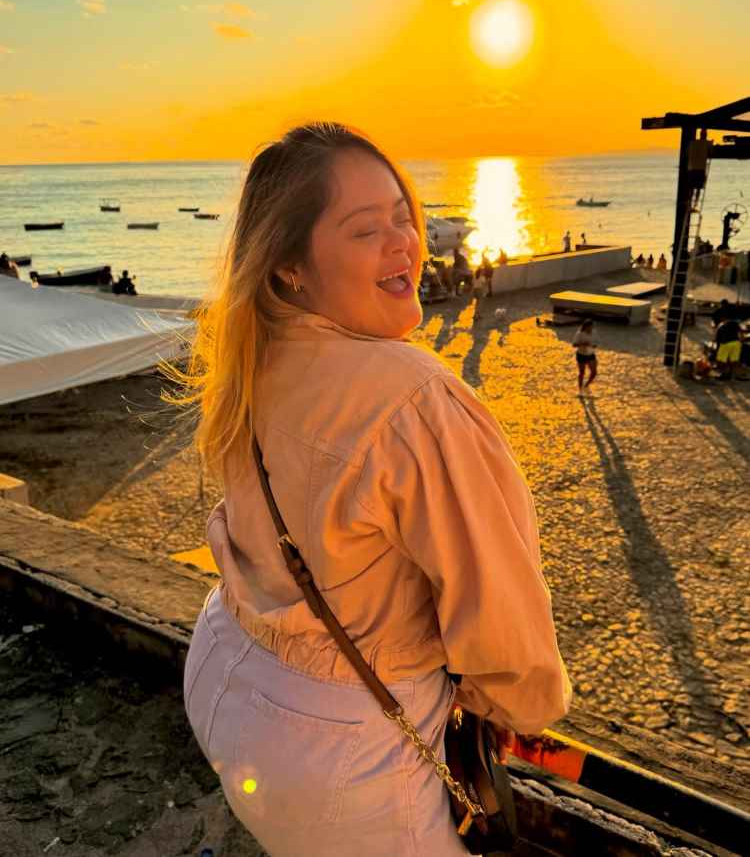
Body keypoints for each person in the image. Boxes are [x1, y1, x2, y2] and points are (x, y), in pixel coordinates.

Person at [172, 123, 571, 857]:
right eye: (366, 230)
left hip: (223, 671)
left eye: (403, 215)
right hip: (339, 752)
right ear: (289, 265)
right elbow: (507, 631)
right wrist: (507, 707)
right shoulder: (414, 401)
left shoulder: (247, 353)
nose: (405, 243)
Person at [573, 318, 597, 394]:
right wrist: (583, 344)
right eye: (589, 327)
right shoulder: (579, 334)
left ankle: (586, 385)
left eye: (592, 327)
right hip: (581, 354)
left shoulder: (594, 333)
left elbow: (595, 344)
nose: (591, 329)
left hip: (590, 354)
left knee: (594, 372)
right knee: (582, 372)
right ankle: (580, 390)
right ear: (585, 327)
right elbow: (574, 344)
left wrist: (592, 345)